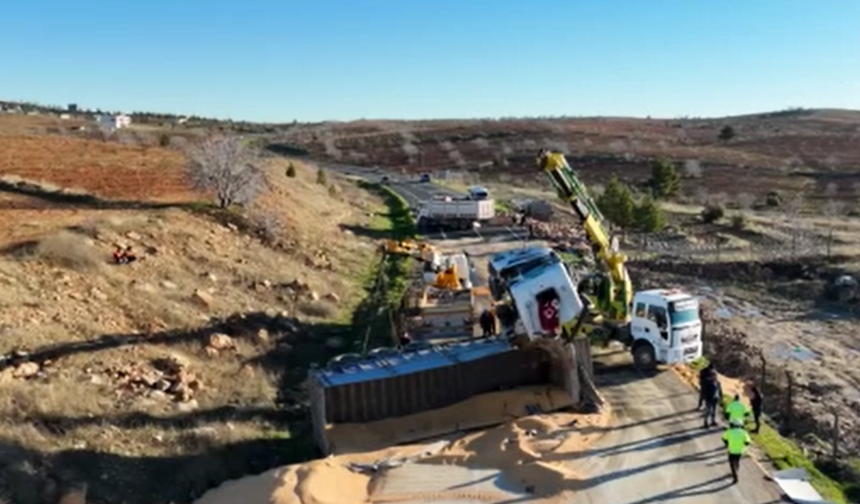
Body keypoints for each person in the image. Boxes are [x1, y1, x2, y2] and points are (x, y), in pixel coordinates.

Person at [722, 419, 752, 483]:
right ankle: (736, 470)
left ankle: (735, 476)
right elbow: (748, 442)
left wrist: (727, 444)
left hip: (731, 450)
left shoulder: (729, 431)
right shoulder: (743, 432)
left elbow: (724, 438)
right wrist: (743, 445)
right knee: (737, 461)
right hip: (740, 450)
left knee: (732, 464)